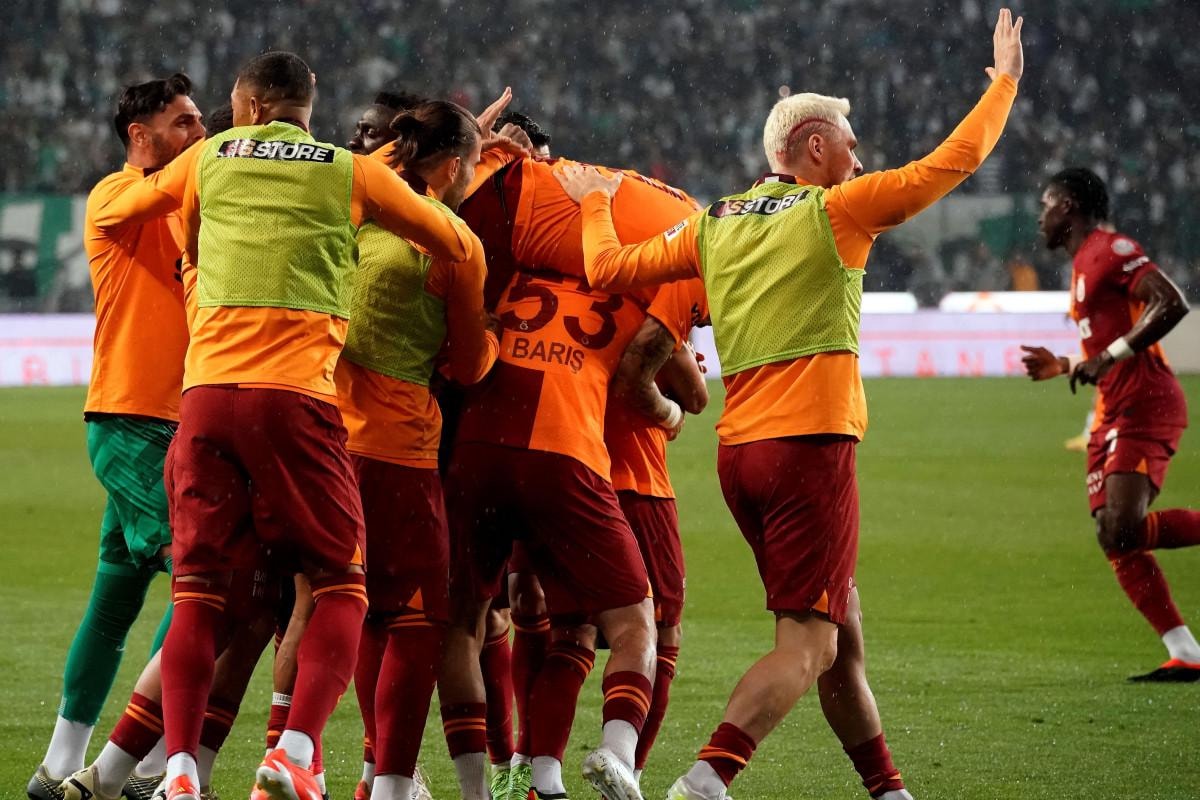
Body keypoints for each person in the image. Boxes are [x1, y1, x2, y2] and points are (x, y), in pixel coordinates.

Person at [552, 10, 1024, 799]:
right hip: (810, 449)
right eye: (850, 143)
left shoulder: (714, 223)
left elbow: (607, 268)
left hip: (742, 458)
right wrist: (1005, 82)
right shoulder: (837, 210)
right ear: (813, 147)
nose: (859, 158)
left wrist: (597, 202)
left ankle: (889, 790)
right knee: (806, 646)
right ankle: (706, 779)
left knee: (841, 636)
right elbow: (956, 160)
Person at [88, 51, 475, 800]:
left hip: (204, 401)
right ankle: (296, 752)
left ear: (252, 106)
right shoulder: (347, 173)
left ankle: (177, 774)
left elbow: (177, 230)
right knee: (341, 585)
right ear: (305, 104)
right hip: (295, 402)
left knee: (199, 596)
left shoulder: (209, 159)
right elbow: (451, 241)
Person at [442, 151, 700, 800]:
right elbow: (684, 389)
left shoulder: (507, 284)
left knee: (491, 625)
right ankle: (621, 755)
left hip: (478, 456)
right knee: (645, 625)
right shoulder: (643, 291)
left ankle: (497, 780)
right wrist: (672, 408)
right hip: (587, 469)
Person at [27, 72, 203, 800]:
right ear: (140, 135)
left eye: (201, 121)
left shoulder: (191, 203)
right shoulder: (113, 193)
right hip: (133, 420)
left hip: (179, 420)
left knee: (113, 604)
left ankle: (58, 765)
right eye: (184, 121)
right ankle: (147, 760)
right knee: (204, 586)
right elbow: (161, 190)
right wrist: (241, 140)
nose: (198, 133)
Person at [338, 99, 498, 800]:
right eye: (474, 164)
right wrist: (495, 337)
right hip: (400, 447)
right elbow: (467, 365)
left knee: (356, 605)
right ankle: (394, 784)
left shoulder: (357, 209)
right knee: (417, 619)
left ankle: (353, 764)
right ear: (456, 165)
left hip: (328, 435)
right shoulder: (453, 245)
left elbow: (367, 167)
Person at [1021, 166, 1200, 682]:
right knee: (1114, 534)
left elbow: (1172, 302)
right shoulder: (1082, 264)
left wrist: (1109, 356)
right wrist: (1068, 365)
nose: (1040, 217)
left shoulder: (1111, 250)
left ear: (1069, 206)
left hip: (1146, 403)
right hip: (1112, 408)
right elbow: (1104, 350)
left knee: (1123, 525)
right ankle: (1185, 651)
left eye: (1047, 205)